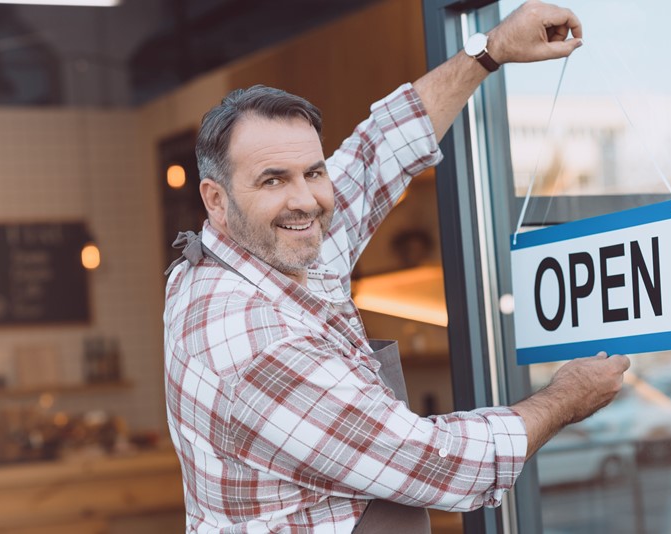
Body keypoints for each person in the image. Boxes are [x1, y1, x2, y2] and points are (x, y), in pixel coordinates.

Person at [163, 1, 631, 532]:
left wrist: (490, 49)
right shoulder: (248, 337)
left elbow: (377, 152)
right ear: (216, 200)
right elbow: (433, 463)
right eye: (273, 180)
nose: (307, 200)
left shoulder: (264, 250)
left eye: (313, 172)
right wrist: (567, 396)